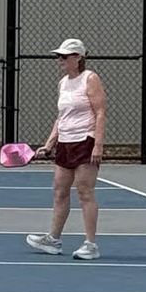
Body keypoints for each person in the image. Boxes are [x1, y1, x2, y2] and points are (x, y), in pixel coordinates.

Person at [26, 37, 106, 261]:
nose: (59, 60)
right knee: (60, 191)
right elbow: (62, 117)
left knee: (85, 192)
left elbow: (100, 112)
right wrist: (50, 143)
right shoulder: (63, 83)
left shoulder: (90, 79)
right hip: (65, 142)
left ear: (78, 57)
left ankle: (90, 244)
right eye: (58, 56)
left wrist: (98, 145)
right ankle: (54, 239)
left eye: (64, 56)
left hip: (85, 141)